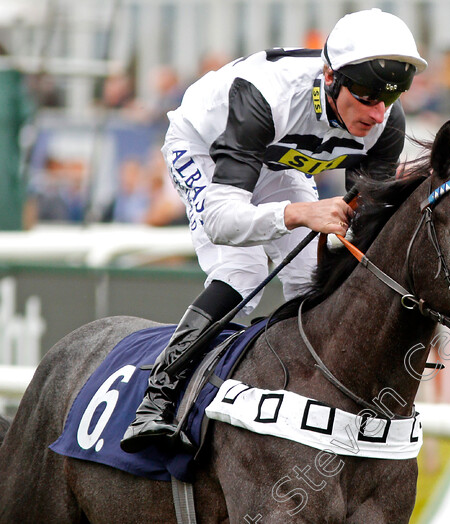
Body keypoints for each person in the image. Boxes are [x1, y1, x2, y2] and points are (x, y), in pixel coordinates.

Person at [120, 8, 427, 453]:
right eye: (365, 93)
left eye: (394, 94)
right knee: (242, 274)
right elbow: (222, 223)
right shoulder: (266, 95)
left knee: (310, 280)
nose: (378, 112)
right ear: (330, 76)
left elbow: (363, 234)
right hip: (205, 146)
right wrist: (300, 214)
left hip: (274, 160)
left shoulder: (385, 124)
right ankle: (158, 397)